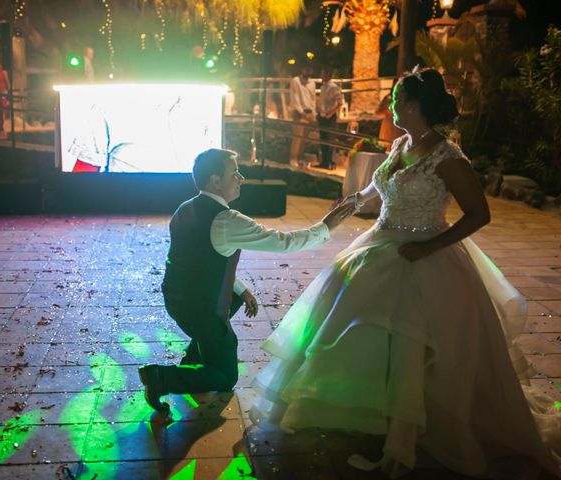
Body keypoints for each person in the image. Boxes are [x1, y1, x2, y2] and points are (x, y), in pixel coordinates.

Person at [250, 67, 561, 479]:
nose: (391, 105)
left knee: (415, 340)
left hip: (426, 255)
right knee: (352, 329)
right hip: (377, 246)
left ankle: (413, 423)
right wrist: (338, 215)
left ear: (414, 107)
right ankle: (372, 413)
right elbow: (373, 191)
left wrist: (430, 246)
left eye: (396, 100)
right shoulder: (400, 144)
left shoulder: (449, 158)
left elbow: (479, 214)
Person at [138, 148, 355, 413]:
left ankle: (195, 355)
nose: (241, 178)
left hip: (176, 298)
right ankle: (161, 377)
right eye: (235, 173)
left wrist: (242, 289)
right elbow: (284, 242)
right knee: (225, 377)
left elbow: (201, 262)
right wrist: (326, 226)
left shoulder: (185, 208)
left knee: (234, 301)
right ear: (216, 181)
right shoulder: (227, 221)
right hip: (202, 309)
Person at [314, 66, 343, 170]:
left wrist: (330, 113)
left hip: (329, 117)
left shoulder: (333, 87)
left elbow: (340, 103)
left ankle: (331, 163)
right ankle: (324, 162)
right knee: (323, 139)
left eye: (323, 74)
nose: (321, 76)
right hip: (322, 116)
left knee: (330, 140)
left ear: (328, 75)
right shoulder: (323, 87)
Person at [289, 63, 316, 166]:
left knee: (304, 138)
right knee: (297, 137)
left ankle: (300, 158)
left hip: (309, 113)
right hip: (298, 112)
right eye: (306, 69)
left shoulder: (312, 83)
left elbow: (312, 99)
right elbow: (294, 97)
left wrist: (312, 113)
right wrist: (301, 112)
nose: (308, 72)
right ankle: (293, 159)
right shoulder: (296, 81)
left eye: (310, 70)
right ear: (302, 69)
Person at [376, 83, 404, 151]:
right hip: (388, 127)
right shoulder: (388, 98)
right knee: (386, 147)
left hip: (399, 127)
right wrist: (386, 108)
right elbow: (378, 112)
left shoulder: (404, 97)